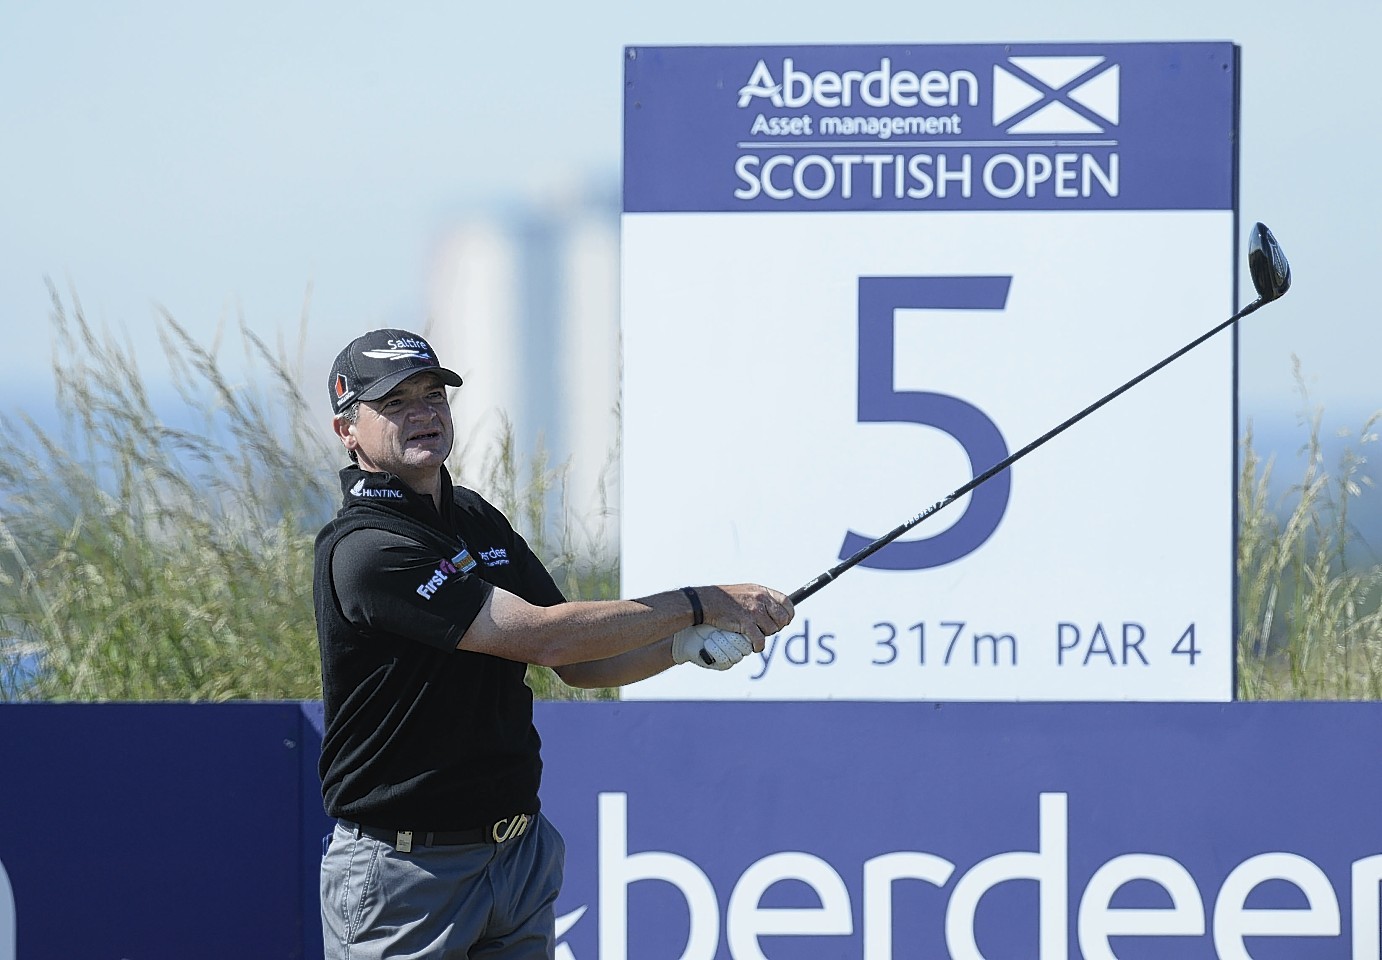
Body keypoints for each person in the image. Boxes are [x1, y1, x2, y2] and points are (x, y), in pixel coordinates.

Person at [313, 328, 794, 959]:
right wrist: (699, 601)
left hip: (516, 858)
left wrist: (682, 645)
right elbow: (545, 641)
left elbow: (582, 661)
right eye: (396, 403)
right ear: (347, 430)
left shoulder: (475, 517)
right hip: (405, 874)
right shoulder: (366, 549)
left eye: (433, 395)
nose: (424, 414)